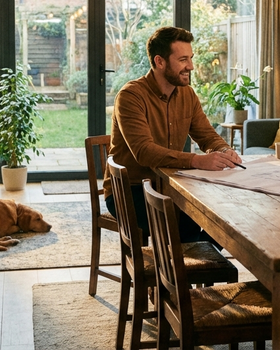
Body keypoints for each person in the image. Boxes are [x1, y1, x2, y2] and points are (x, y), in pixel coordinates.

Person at [103, 26, 242, 241]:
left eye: (191, 58)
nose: (191, 66)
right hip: (130, 191)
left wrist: (224, 149)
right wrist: (197, 160)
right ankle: (185, 269)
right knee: (192, 227)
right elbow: (144, 152)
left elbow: (206, 135)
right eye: (183, 59)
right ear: (160, 62)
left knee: (227, 217)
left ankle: (195, 267)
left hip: (170, 185)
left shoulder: (187, 94)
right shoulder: (131, 96)